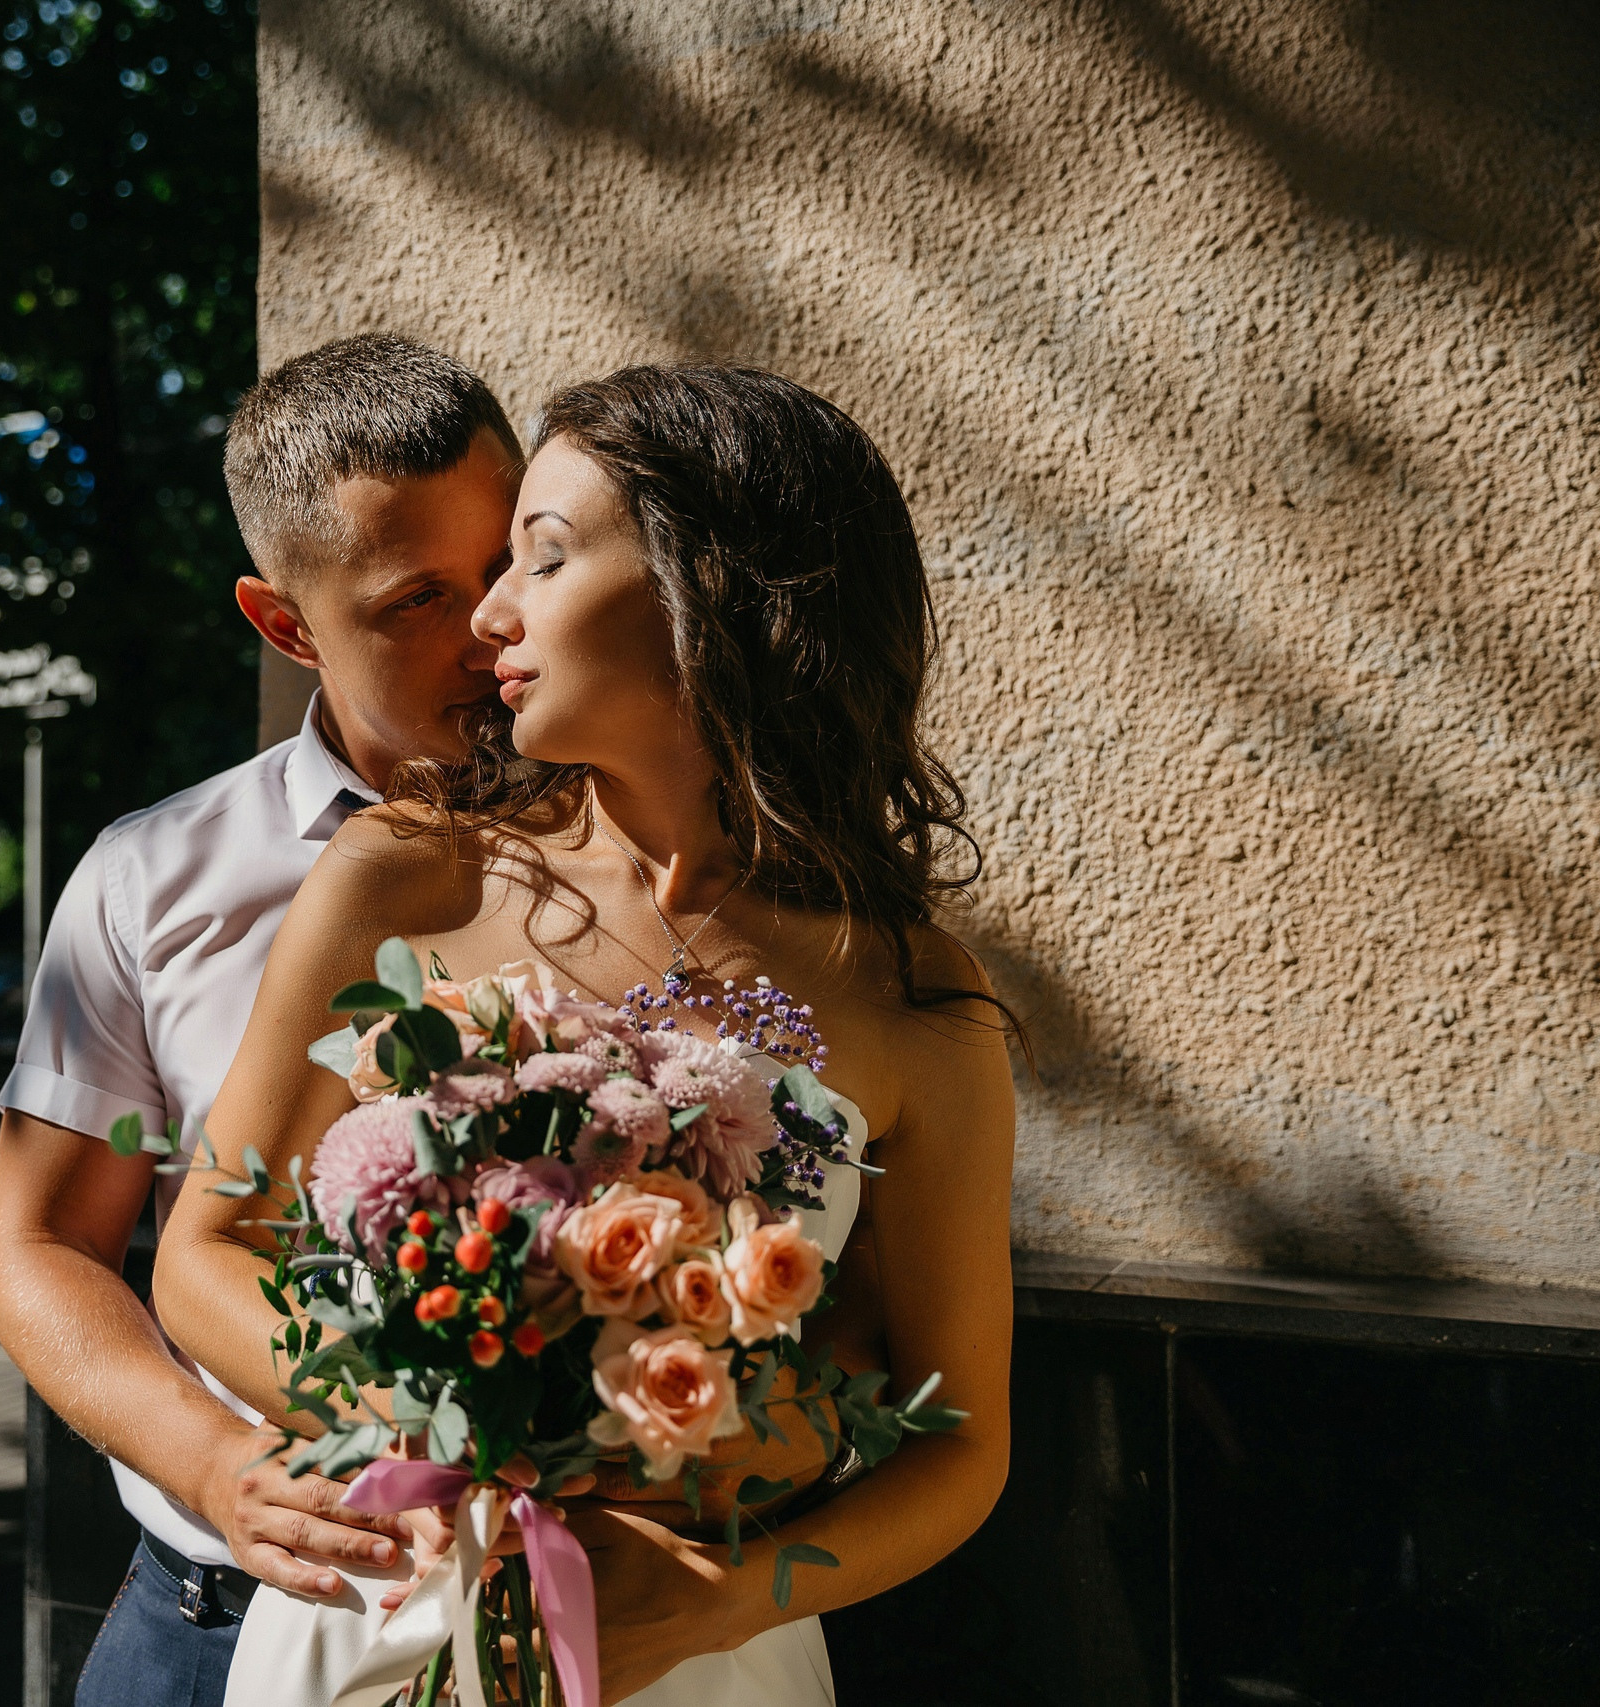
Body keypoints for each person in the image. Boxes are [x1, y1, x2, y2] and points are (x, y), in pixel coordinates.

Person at [157, 365, 1018, 1705]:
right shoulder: (402, 876)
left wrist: (734, 1597)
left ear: (710, 593)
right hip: (382, 1608)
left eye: (541, 559)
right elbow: (206, 1244)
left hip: (687, 1658)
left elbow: (960, 1444)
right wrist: (424, 1415)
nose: (491, 615)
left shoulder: (916, 1005)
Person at [0, 333, 527, 1705]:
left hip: (560, 1622)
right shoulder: (152, 883)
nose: (490, 630)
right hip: (215, 1623)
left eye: (508, 568)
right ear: (286, 626)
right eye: (418, 599)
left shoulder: (632, 846)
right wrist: (217, 1464)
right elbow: (45, 1238)